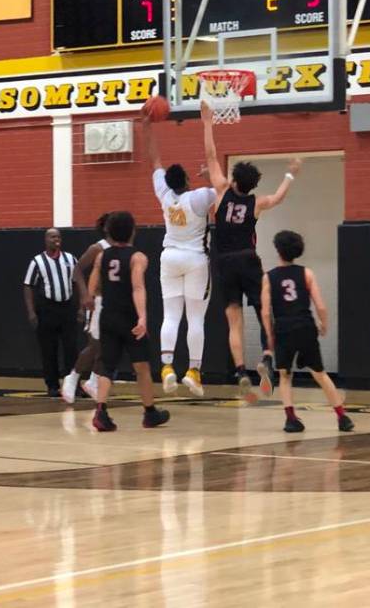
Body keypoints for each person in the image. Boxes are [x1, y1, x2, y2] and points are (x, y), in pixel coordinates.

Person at [201, 100, 301, 397]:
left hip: (223, 263)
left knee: (234, 319)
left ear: (233, 180)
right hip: (248, 260)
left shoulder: (220, 191)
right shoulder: (256, 203)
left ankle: (240, 369)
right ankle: (267, 356)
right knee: (264, 311)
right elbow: (280, 197)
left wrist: (207, 123)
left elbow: (210, 154)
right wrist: (290, 173)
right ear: (252, 184)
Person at [141, 108, 217, 397]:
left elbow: (154, 159)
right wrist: (209, 175)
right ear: (186, 179)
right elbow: (221, 188)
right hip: (195, 259)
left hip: (169, 256)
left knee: (171, 316)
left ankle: (167, 367)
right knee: (195, 318)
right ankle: (193, 372)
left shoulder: (163, 193)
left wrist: (147, 126)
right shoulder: (200, 197)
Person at [261, 230, 354, 433]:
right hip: (305, 326)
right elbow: (320, 305)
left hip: (284, 328)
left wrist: (269, 336)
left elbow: (265, 312)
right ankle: (342, 417)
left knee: (285, 376)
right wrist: (324, 323)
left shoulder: (269, 278)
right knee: (320, 373)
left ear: (278, 250)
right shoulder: (306, 273)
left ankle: (291, 419)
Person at [87, 211, 170, 432]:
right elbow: (137, 288)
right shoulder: (138, 257)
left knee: (108, 365)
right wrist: (142, 317)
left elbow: (92, 287)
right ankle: (150, 412)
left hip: (108, 315)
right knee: (142, 365)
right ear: (132, 231)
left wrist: (95, 301)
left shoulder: (101, 257)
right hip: (129, 318)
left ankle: (101, 411)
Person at [23, 228, 91, 398]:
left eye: (58, 237)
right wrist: (31, 312)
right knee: (49, 349)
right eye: (53, 237)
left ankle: (74, 385)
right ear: (46, 240)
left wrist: (81, 307)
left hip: (67, 307)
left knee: (71, 349)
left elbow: (78, 283)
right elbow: (28, 286)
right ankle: (52, 385)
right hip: (47, 308)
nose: (56, 239)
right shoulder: (37, 261)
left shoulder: (70, 259)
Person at [60, 213, 113, 402]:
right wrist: (84, 296)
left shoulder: (122, 247)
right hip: (97, 302)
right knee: (94, 345)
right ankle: (72, 376)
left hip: (114, 303)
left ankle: (93, 380)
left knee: (108, 347)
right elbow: (77, 270)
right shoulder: (97, 248)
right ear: (106, 227)